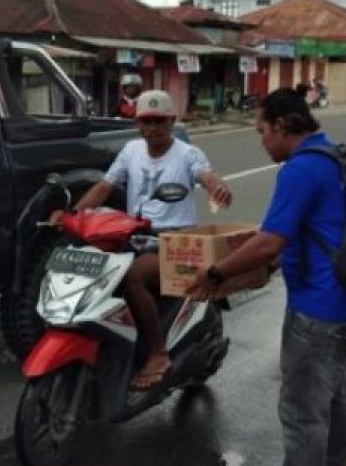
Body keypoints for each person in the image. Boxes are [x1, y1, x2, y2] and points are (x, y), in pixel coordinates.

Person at [185, 88, 346, 466]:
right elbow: (306, 233)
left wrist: (214, 274)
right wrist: (269, 266)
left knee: (303, 413)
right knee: (333, 397)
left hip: (319, 307)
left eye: (263, 131)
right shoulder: (333, 154)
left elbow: (270, 239)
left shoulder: (302, 169)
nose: (262, 142)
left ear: (285, 126)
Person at [53, 90, 232, 389]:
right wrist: (74, 214)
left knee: (133, 277)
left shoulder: (187, 154)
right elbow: (104, 187)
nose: (153, 128)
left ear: (172, 121)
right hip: (135, 235)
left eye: (159, 121)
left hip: (176, 241)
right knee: (94, 265)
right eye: (146, 122)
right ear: (137, 124)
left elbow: (205, 176)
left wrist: (218, 187)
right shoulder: (131, 150)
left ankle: (158, 353)